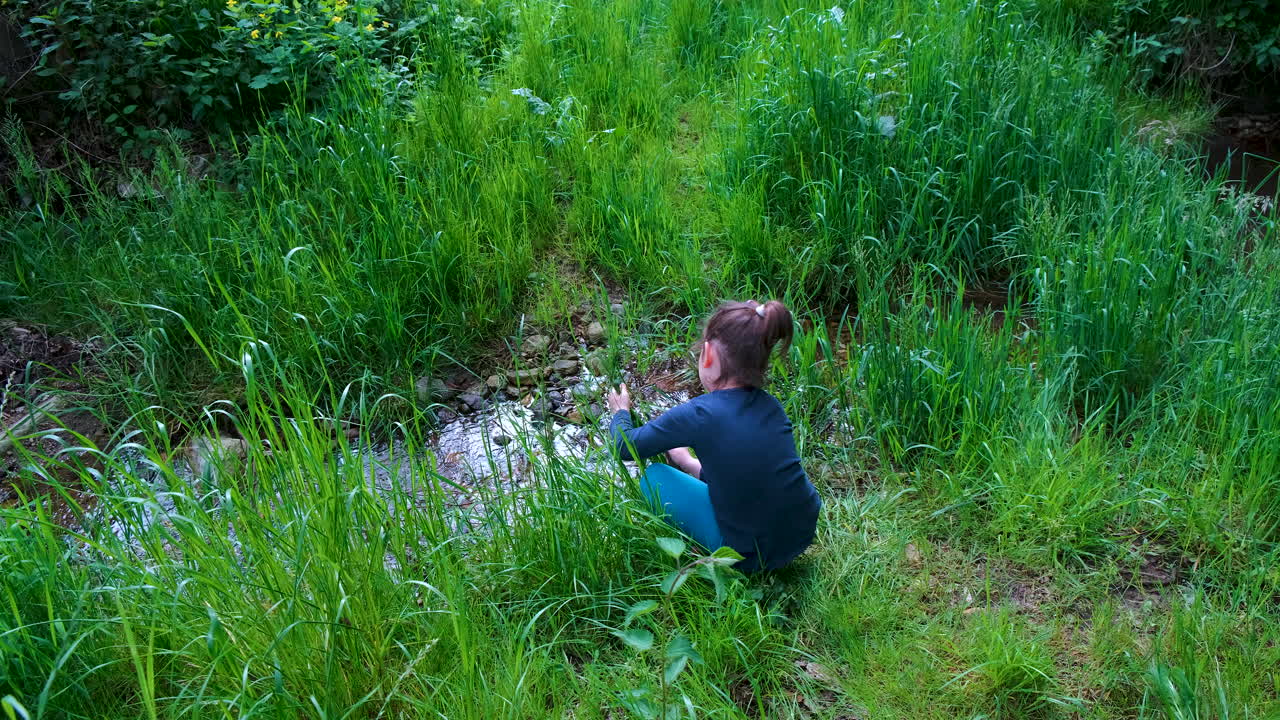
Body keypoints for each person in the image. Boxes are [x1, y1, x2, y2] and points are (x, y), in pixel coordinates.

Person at [606, 300, 821, 573]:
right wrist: (687, 462)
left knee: (655, 477)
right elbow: (745, 473)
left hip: (751, 556)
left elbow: (625, 446)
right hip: (800, 534)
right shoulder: (772, 406)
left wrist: (620, 412)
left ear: (707, 355)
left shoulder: (698, 414)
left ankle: (714, 552)